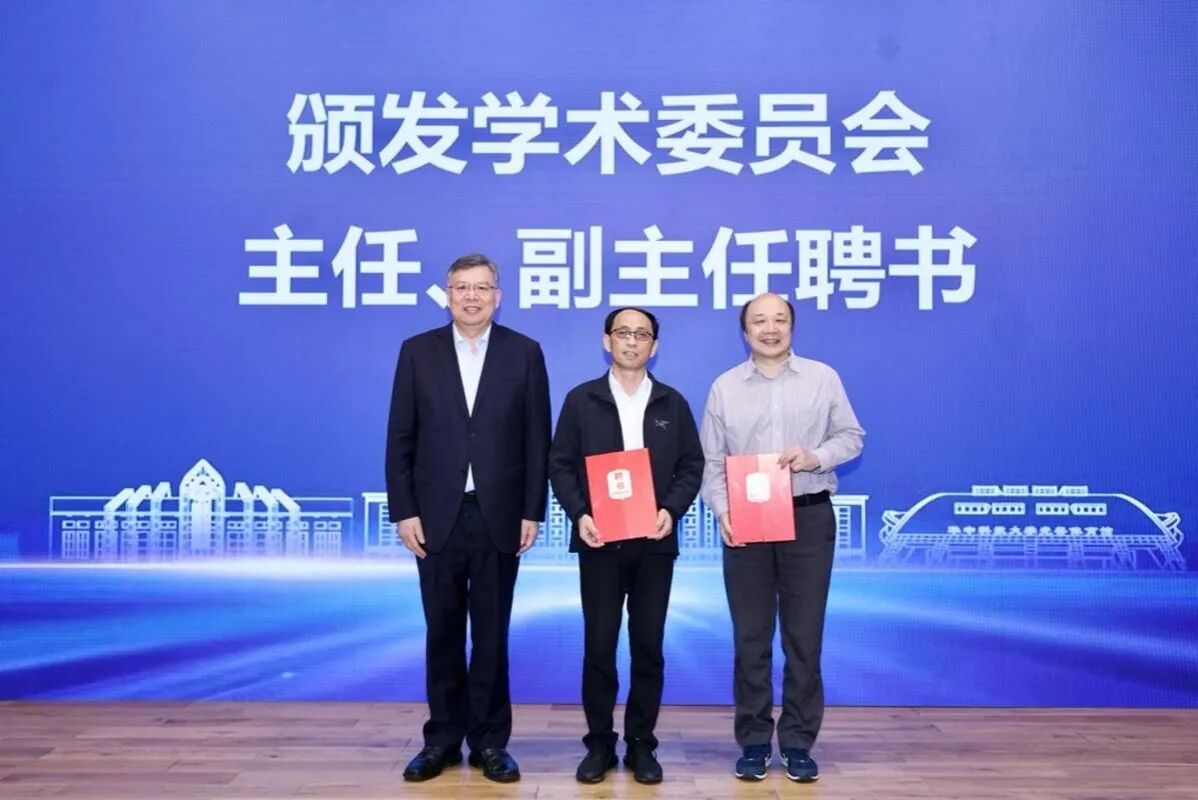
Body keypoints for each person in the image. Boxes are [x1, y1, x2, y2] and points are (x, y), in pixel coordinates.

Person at [386, 253, 551, 784]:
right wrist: (404, 510)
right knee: (443, 631)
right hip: (436, 516)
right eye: (462, 287)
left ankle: (489, 742)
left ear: (498, 297)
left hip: (499, 514)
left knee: (492, 633)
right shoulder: (418, 351)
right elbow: (400, 438)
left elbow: (537, 440)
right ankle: (441, 739)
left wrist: (532, 510)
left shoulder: (524, 352)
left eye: (482, 288)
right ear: (448, 295)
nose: (472, 297)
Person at [699, 292, 864, 783]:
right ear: (744, 330)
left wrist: (815, 457)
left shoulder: (822, 378)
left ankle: (796, 742)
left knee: (803, 638)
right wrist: (723, 512)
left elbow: (852, 437)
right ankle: (753, 741)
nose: (770, 329)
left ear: (792, 326)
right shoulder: (725, 387)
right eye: (759, 321)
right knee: (750, 638)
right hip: (747, 523)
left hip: (808, 518)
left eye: (779, 320)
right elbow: (711, 463)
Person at [547, 307, 704, 785]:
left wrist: (671, 509)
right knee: (599, 645)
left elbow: (692, 466)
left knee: (648, 645)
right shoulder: (582, 399)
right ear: (607, 340)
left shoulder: (672, 403)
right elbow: (560, 464)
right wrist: (581, 513)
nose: (632, 341)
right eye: (623, 333)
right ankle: (599, 744)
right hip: (600, 540)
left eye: (642, 335)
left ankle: (640, 743)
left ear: (655, 346)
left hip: (654, 542)